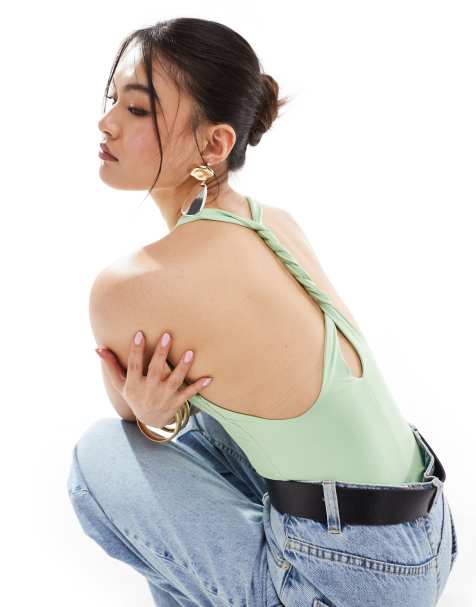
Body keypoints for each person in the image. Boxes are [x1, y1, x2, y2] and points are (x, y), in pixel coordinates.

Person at [67, 17, 458, 606]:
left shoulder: (132, 286)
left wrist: (154, 420)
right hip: (426, 537)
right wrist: (163, 419)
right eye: (112, 99)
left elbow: (132, 417)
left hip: (346, 575)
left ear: (215, 144)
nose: (107, 122)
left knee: (100, 459)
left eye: (139, 109)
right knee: (205, 428)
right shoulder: (272, 222)